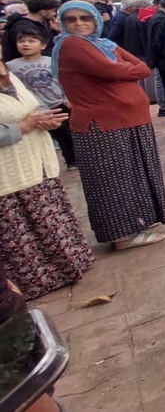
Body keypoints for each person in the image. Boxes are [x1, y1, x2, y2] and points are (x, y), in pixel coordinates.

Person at [52, 1, 165, 250]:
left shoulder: (102, 44)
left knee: (130, 177)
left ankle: (135, 223)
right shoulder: (71, 44)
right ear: (62, 22)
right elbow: (110, 70)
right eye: (71, 19)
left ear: (96, 19)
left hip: (125, 122)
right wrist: (123, 70)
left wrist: (122, 69)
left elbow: (143, 68)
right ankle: (122, 236)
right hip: (103, 125)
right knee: (113, 181)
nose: (78, 23)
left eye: (85, 17)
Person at [0, 65, 92, 301]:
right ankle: (34, 283)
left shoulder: (11, 75)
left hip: (35, 164)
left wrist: (45, 120)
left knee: (49, 220)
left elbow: (31, 107)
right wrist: (22, 127)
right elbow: (19, 122)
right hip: (8, 178)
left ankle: (66, 269)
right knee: (19, 232)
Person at [6, 28, 75, 169]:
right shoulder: (11, 66)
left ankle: (76, 157)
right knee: (58, 134)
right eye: (22, 41)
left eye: (31, 41)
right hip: (37, 107)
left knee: (69, 132)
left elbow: (63, 80)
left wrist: (67, 97)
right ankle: (70, 160)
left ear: (43, 45)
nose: (26, 44)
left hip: (58, 102)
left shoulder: (52, 61)